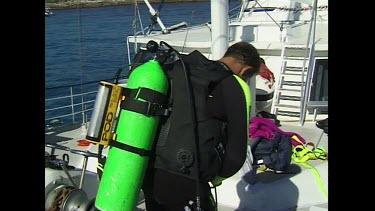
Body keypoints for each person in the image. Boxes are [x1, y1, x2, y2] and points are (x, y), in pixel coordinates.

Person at [142, 41, 261, 211]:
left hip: (149, 171)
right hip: (186, 177)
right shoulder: (232, 84)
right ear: (246, 70)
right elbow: (236, 154)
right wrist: (216, 176)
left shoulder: (181, 70)